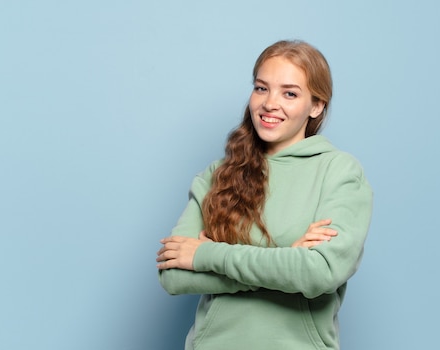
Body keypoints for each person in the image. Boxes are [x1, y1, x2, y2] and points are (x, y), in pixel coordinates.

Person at [156, 39, 373, 350]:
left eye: (290, 93)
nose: (270, 103)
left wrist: (208, 255)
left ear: (316, 105)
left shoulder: (339, 173)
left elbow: (320, 272)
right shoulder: (217, 174)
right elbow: (174, 275)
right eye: (261, 88)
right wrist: (286, 260)